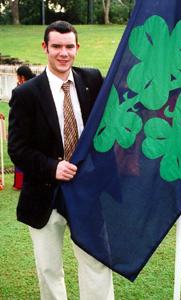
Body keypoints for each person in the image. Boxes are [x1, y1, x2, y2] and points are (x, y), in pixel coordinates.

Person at [8, 21, 114, 300]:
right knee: (49, 269)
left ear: (77, 48)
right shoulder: (26, 94)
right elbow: (17, 149)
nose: (63, 53)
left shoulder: (93, 79)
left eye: (69, 46)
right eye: (56, 46)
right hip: (44, 195)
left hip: (87, 193)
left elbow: (108, 129)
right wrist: (52, 167)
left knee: (97, 264)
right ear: (45, 47)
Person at [12, 65, 36, 190]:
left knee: (21, 153)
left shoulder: (21, 89)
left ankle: (20, 183)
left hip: (24, 129)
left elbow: (13, 105)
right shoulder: (38, 84)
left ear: (21, 77)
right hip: (37, 130)